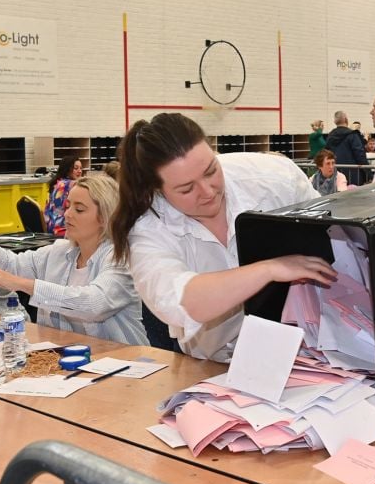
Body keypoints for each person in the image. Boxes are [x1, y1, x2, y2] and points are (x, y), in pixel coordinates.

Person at [110, 113, 336, 361]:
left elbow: (334, 237)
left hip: (308, 354)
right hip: (212, 364)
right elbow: (183, 300)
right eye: (186, 189)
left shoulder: (273, 177)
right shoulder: (147, 229)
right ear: (157, 190)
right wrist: (269, 269)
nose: (207, 191)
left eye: (211, 171)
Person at [0, 176, 148, 345]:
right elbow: (10, 266)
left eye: (79, 209)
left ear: (105, 218)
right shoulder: (58, 252)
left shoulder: (121, 259)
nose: (67, 214)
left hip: (126, 363)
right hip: (74, 360)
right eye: (68, 206)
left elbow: (94, 304)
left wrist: (27, 285)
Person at [325, 111, 368, 186]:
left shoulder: (330, 136)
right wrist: (368, 173)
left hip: (335, 174)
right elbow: (360, 154)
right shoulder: (353, 135)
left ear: (335, 122)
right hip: (353, 174)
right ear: (346, 120)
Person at [44, 155, 83, 237]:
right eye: (76, 168)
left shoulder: (58, 182)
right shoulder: (71, 184)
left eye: (81, 168)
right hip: (61, 228)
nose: (79, 171)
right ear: (67, 169)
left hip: (51, 225)